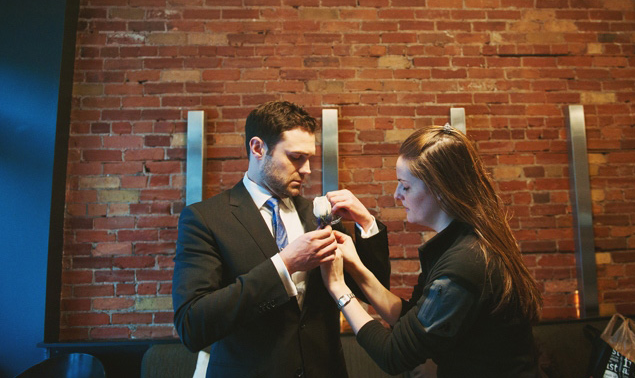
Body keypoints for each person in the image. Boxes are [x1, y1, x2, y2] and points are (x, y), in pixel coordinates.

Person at [172, 100, 390, 378]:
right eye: (296, 157)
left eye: (309, 158)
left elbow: (373, 291)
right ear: (258, 148)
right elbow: (192, 326)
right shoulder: (205, 219)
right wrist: (284, 265)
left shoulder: (318, 214)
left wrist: (367, 224)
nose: (308, 169)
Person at [321, 124, 543, 377]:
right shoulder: (457, 242)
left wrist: (338, 287)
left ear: (440, 190)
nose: (396, 195)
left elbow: (393, 355)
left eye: (405, 186)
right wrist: (355, 267)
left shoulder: (465, 262)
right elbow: (409, 320)